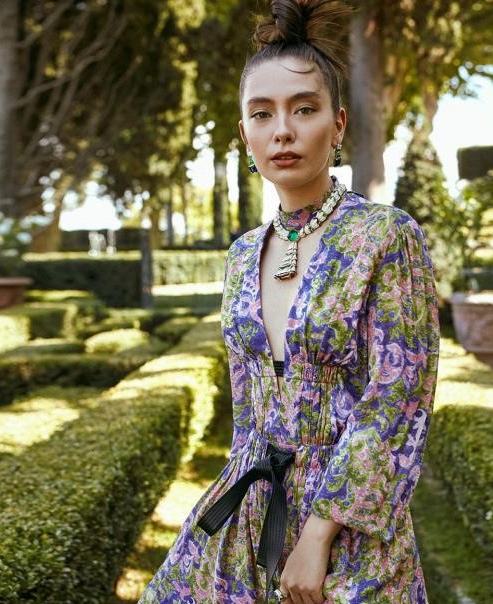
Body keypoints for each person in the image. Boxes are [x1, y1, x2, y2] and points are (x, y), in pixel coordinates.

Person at [137, 0, 440, 602]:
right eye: (262, 113)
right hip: (249, 504)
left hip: (346, 523)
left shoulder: (384, 236)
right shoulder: (242, 254)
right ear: (244, 134)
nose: (283, 130)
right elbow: (248, 405)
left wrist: (318, 536)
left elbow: (399, 396)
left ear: (339, 124)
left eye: (304, 109)